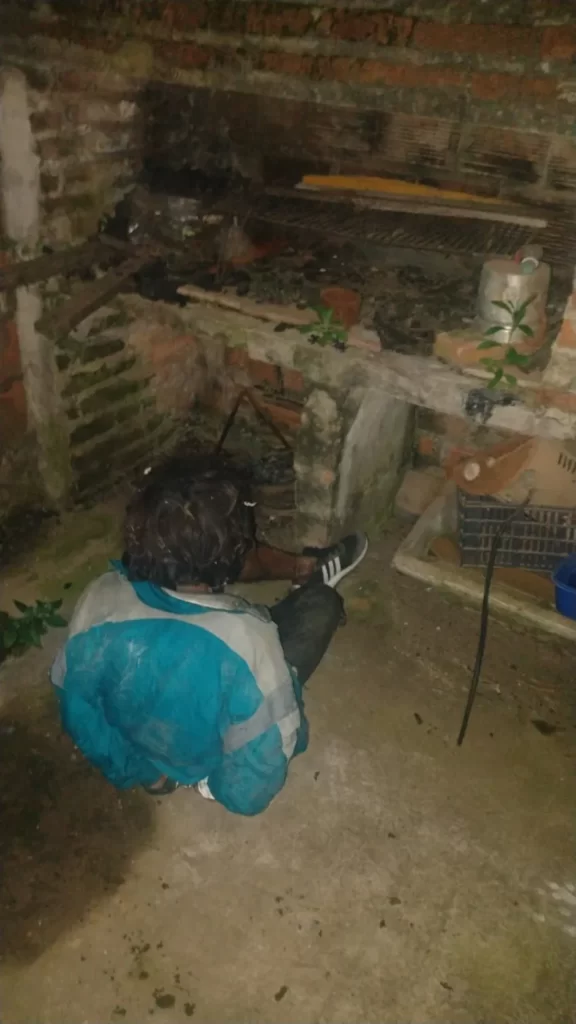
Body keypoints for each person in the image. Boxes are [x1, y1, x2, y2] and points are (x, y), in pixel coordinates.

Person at [51, 458, 368, 816]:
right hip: (211, 745)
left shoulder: (98, 598)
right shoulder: (248, 642)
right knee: (322, 604)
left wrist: (146, 773)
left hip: (147, 743)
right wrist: (215, 786)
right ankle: (306, 586)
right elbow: (256, 781)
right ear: (234, 558)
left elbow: (77, 709)